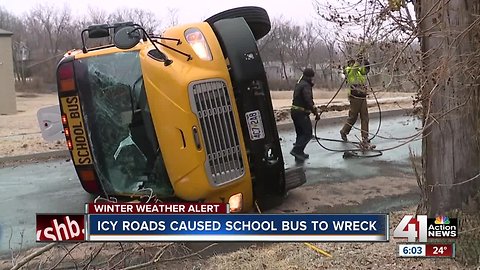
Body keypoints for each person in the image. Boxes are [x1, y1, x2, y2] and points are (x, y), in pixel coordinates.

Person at [339, 54, 374, 149]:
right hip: (354, 96)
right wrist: (358, 62)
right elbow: (353, 71)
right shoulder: (348, 70)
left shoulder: (358, 71)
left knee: (365, 117)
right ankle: (344, 131)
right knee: (353, 117)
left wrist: (366, 63)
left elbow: (364, 71)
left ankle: (365, 138)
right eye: (353, 61)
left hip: (362, 96)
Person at [290, 68, 320, 161]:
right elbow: (308, 100)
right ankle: (296, 150)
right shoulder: (306, 86)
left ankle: (299, 153)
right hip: (301, 113)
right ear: (310, 77)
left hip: (295, 111)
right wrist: (315, 112)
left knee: (300, 133)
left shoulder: (300, 83)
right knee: (307, 133)